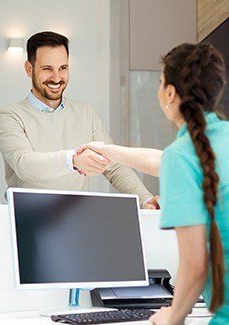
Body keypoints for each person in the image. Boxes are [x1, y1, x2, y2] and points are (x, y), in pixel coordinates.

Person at [78, 43, 228, 324]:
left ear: (170, 93)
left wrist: (173, 316)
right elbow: (164, 162)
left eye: (160, 83)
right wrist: (109, 151)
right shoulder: (212, 143)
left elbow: (195, 264)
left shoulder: (183, 156)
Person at [0, 31, 160, 208]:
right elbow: (24, 165)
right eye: (47, 69)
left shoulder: (86, 113)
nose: (57, 78)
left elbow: (114, 166)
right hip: (26, 218)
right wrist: (72, 160)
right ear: (29, 69)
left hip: (75, 217)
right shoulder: (10, 116)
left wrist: (145, 199)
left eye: (63, 68)